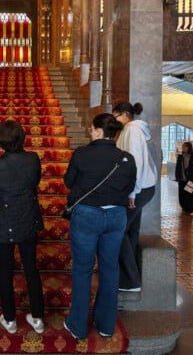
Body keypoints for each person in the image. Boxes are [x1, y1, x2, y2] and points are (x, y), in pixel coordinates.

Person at [63, 113, 137, 339]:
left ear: (97, 131)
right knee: (110, 268)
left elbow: (68, 181)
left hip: (87, 215)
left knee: (83, 269)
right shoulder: (127, 158)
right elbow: (130, 186)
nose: (90, 131)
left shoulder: (82, 154)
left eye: (92, 128)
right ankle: (106, 324)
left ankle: (78, 325)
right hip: (115, 216)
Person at [0, 120, 45, 334]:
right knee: (31, 269)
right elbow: (35, 182)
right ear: (22, 138)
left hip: (4, 221)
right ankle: (38, 318)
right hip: (28, 218)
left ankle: (9, 319)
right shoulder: (32, 159)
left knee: (6, 271)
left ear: (0, 140)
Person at [112, 101, 158, 292]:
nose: (114, 120)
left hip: (138, 189)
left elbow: (135, 163)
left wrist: (133, 192)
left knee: (119, 230)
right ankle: (129, 277)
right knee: (130, 231)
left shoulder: (132, 130)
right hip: (143, 187)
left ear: (124, 115)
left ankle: (131, 281)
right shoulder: (133, 130)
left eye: (115, 116)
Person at [175, 141, 193, 215]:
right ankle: (184, 207)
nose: (183, 148)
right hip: (181, 180)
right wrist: (177, 177)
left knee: (189, 196)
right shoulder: (180, 157)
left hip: (190, 180)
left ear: (189, 148)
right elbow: (177, 168)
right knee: (181, 195)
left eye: (185, 146)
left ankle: (189, 210)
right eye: (183, 146)